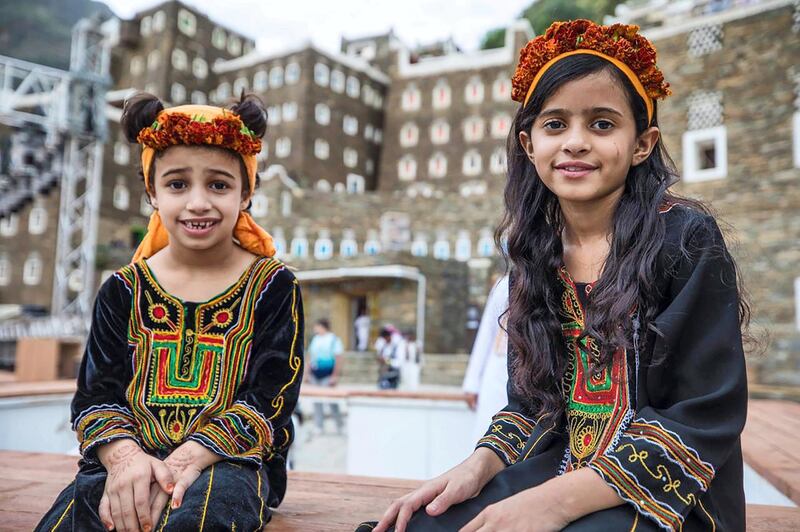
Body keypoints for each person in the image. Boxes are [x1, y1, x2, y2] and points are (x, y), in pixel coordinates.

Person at [362, 19, 750, 532]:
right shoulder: (534, 253)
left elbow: (702, 413)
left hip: (673, 495)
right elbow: (531, 403)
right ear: (529, 144)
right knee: (417, 525)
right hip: (565, 465)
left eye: (603, 124)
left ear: (642, 143)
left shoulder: (684, 237)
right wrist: (476, 467)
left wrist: (554, 503)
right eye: (555, 124)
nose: (576, 142)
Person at [37, 93, 304, 531]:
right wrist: (126, 461)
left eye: (218, 184)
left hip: (231, 465)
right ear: (153, 192)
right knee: (76, 514)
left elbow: (270, 400)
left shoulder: (273, 286)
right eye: (178, 184)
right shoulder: (123, 289)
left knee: (198, 519)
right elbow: (95, 396)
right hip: (127, 464)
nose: (198, 202)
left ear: (246, 193)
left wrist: (184, 461)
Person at [462, 275, 509, 444]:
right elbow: (487, 332)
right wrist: (472, 382)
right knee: (489, 438)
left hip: (533, 377)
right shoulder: (505, 285)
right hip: (497, 372)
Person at [305, 318, 345, 434]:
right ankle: (319, 426)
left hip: (328, 374)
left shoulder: (333, 339)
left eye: (316, 326)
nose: (315, 329)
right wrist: (307, 374)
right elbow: (310, 356)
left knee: (332, 401)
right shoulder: (316, 339)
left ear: (322, 327)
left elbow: (338, 358)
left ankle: (339, 425)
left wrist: (335, 376)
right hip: (315, 373)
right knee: (317, 401)